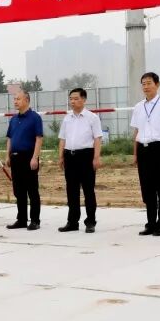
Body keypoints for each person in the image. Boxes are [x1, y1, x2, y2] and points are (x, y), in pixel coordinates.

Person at [131, 72, 160, 237]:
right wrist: (135, 154)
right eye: (143, 84)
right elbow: (136, 131)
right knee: (147, 188)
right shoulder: (138, 107)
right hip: (143, 149)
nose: (146, 86)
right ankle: (150, 223)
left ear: (157, 84)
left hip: (158, 149)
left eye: (149, 83)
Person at [58, 88, 104, 233]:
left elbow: (97, 138)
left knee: (88, 191)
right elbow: (62, 138)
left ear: (84, 99)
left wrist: (96, 157)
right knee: (71, 191)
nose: (73, 101)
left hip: (86, 156)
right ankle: (72, 222)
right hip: (69, 156)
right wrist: (61, 156)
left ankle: (90, 222)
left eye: (76, 98)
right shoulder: (67, 118)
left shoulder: (92, 118)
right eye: (71, 98)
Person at [6, 90, 44, 230]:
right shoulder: (14, 119)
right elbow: (10, 138)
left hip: (29, 157)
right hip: (15, 157)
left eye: (18, 99)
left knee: (32, 191)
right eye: (14, 99)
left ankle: (35, 220)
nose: (15, 101)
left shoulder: (35, 118)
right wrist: (8, 155)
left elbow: (39, 138)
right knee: (18, 191)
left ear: (27, 100)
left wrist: (35, 157)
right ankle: (21, 219)